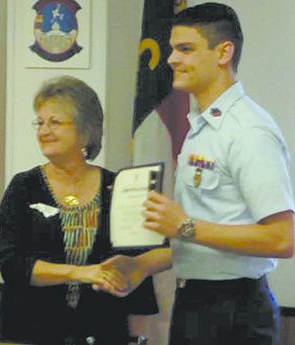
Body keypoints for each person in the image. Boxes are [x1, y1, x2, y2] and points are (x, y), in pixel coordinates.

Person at [102, 3, 295, 345]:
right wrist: (143, 265)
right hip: (196, 303)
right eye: (173, 48)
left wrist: (185, 226)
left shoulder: (248, 131)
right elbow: (207, 237)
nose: (171, 59)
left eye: (185, 49)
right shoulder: (202, 127)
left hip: (236, 310)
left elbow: (281, 238)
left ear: (223, 52)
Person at [0, 76, 159, 345]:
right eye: (40, 122)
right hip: (29, 333)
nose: (44, 130)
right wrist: (82, 272)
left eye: (55, 122)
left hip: (104, 333)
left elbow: (143, 260)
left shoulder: (119, 186)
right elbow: (11, 263)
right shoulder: (24, 186)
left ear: (85, 129)